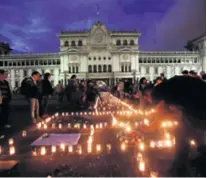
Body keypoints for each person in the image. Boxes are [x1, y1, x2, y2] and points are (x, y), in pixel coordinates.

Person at [151, 76, 206, 176]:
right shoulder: (172, 85)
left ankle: (199, 162)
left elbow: (161, 112)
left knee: (192, 132)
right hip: (197, 100)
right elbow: (178, 110)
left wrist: (152, 126)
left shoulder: (165, 94)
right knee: (182, 131)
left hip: (199, 103)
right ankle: (181, 164)